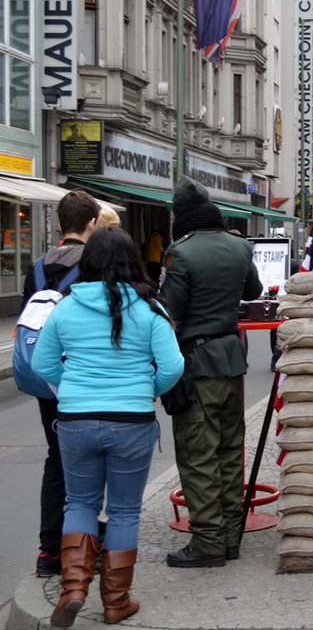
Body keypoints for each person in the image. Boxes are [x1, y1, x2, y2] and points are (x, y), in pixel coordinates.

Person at [31, 227, 184, 627]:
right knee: (123, 512)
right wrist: (144, 390)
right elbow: (173, 366)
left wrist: (74, 391)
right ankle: (116, 601)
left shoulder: (65, 307)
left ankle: (74, 588)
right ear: (132, 260)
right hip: (131, 422)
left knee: (78, 503)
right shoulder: (151, 309)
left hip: (76, 422)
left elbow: (42, 365)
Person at [159, 176, 263, 567]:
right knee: (227, 452)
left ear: (180, 215)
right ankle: (230, 537)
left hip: (195, 365)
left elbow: (171, 313)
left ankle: (207, 543)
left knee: (198, 455)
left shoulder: (179, 254)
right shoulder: (240, 246)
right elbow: (252, 292)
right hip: (231, 360)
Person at [20, 190, 100, 578]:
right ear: (92, 224)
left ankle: (49, 550)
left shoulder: (37, 265)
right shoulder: (95, 263)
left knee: (58, 459)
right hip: (82, 376)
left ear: (58, 224)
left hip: (43, 374)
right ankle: (83, 545)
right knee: (87, 461)